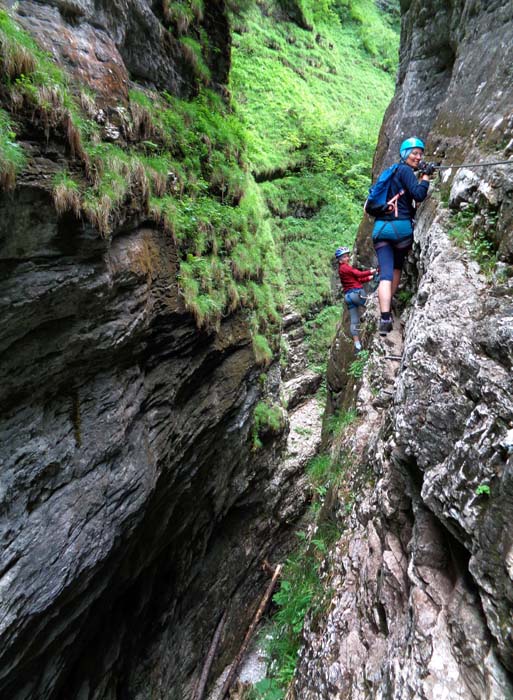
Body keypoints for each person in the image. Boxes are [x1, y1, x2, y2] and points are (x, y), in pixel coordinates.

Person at [372, 137, 434, 335]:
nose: (418, 156)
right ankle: (388, 307)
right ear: (406, 154)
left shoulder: (391, 172)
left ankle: (384, 317)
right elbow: (418, 194)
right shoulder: (406, 171)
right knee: (397, 267)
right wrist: (425, 177)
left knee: (385, 274)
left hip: (381, 229)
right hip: (401, 230)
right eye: (414, 153)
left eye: (420, 153)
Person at [335, 246, 377, 352]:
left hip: (348, 297)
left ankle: (357, 344)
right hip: (356, 293)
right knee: (372, 306)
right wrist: (373, 271)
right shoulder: (346, 267)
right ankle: (373, 324)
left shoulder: (342, 270)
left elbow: (358, 279)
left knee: (354, 320)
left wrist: (371, 277)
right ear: (340, 260)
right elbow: (359, 274)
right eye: (345, 257)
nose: (348, 258)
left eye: (347, 256)